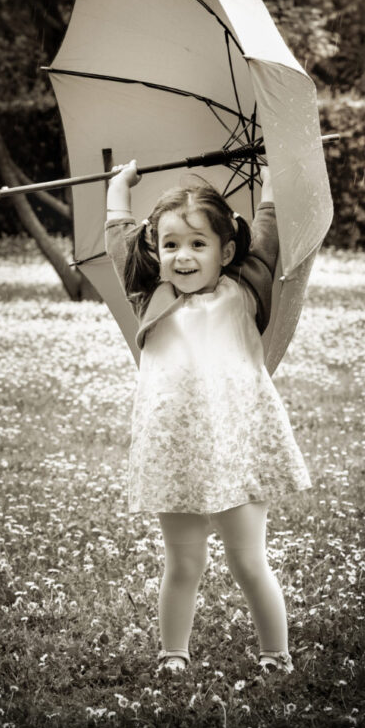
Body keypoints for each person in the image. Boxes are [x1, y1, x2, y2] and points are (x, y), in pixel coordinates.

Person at [104, 160, 311, 680]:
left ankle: (275, 654)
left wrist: (271, 184)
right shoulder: (149, 299)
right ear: (155, 251)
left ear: (227, 251)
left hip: (236, 450)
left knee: (248, 561)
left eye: (199, 243)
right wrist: (118, 188)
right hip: (174, 457)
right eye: (171, 244)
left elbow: (267, 236)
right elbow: (120, 243)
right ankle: (173, 653)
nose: (184, 256)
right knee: (183, 563)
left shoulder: (244, 292)